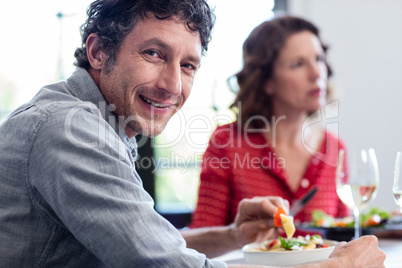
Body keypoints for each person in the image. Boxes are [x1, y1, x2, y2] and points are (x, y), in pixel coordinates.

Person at [0, 1, 385, 267]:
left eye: (188, 65)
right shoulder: (72, 131)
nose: (172, 84)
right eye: (153, 53)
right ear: (99, 52)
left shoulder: (107, 127)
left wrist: (235, 234)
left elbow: (151, 245)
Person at [190, 15, 349, 228]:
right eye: (298, 64)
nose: (316, 73)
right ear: (266, 81)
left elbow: (345, 233)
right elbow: (202, 240)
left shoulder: (334, 149)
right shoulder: (227, 144)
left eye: (319, 59)